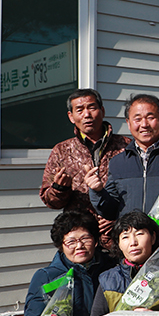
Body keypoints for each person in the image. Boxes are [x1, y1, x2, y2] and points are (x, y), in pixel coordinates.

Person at [88, 93, 159, 232]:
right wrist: (98, 192)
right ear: (128, 123)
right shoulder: (118, 162)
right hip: (133, 244)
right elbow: (110, 211)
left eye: (151, 117)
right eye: (137, 119)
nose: (144, 124)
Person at [18, 211, 110, 316]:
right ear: (61, 245)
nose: (79, 246)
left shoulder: (111, 269)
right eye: (71, 241)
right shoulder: (47, 277)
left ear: (95, 240)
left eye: (85, 239)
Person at [39, 89, 128, 243]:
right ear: (71, 117)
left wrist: (120, 218)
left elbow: (138, 191)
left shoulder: (126, 146)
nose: (87, 114)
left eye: (92, 108)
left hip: (119, 236)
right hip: (81, 239)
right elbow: (50, 201)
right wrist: (60, 189)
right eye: (79, 110)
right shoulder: (62, 150)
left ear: (102, 111)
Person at [89, 211, 159, 316]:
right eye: (125, 237)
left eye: (139, 234)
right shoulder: (109, 279)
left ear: (153, 238)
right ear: (118, 244)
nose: (133, 242)